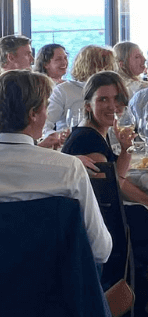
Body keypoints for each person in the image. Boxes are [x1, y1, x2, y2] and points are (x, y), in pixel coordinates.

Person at [62, 72, 148, 313]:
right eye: (103, 99)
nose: (111, 106)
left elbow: (115, 180)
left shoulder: (94, 133)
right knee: (147, 219)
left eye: (117, 99)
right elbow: (113, 188)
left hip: (96, 215)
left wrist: (126, 151)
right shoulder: (88, 139)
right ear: (88, 105)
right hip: (97, 222)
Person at [0, 70, 111, 264]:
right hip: (56, 288)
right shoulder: (68, 169)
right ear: (34, 113)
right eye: (46, 107)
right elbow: (101, 250)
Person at [45, 44, 117, 140]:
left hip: (109, 146)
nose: (114, 70)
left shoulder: (114, 91)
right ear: (97, 66)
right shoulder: (64, 90)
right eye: (110, 65)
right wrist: (57, 137)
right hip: (73, 147)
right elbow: (45, 123)